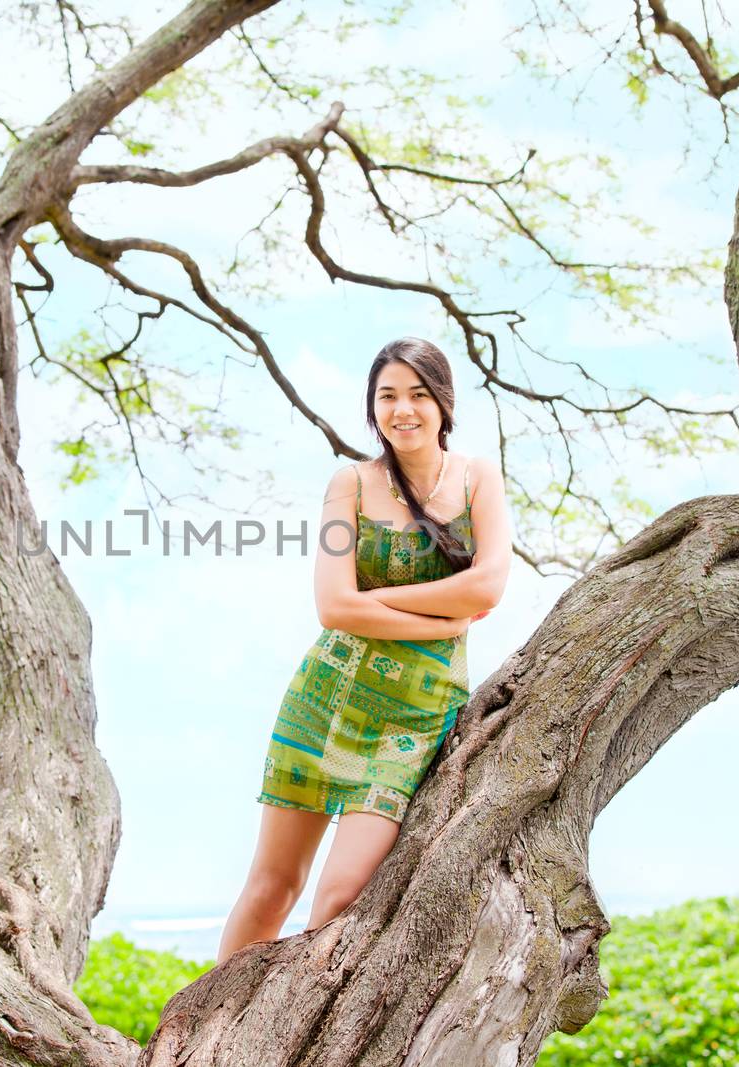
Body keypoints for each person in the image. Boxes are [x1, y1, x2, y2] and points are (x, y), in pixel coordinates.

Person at [215, 337, 513, 966]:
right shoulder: (347, 484)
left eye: (418, 395)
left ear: (443, 402)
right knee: (272, 888)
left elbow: (488, 584)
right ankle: (205, 1035)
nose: (402, 410)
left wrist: (385, 607)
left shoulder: (479, 478)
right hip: (326, 699)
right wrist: (442, 624)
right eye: (387, 397)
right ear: (371, 408)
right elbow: (333, 607)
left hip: (412, 719)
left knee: (340, 896)